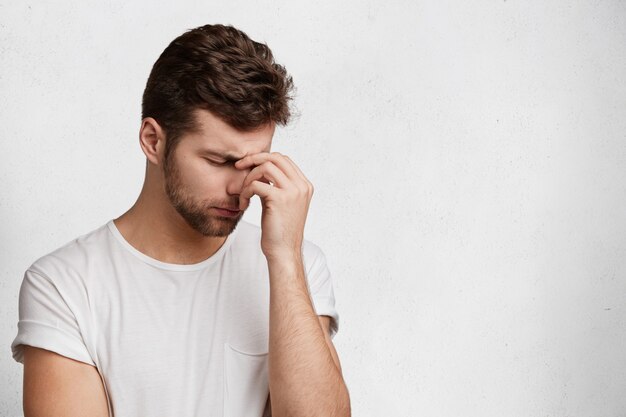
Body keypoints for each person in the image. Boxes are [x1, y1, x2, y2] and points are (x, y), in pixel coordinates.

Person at [11, 23, 351, 417]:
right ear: (153, 141)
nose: (242, 188)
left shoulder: (296, 264)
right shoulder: (65, 284)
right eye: (219, 161)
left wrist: (286, 259)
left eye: (256, 162)